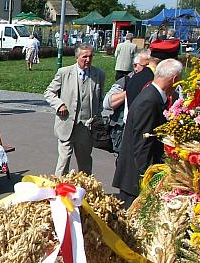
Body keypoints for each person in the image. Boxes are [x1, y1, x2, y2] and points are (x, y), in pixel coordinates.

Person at [113, 59, 183, 208]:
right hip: (135, 180)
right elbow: (142, 144)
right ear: (174, 79)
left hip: (136, 177)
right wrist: (147, 178)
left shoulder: (152, 95)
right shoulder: (149, 101)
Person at [43, 44, 105, 175]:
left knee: (85, 162)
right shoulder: (64, 73)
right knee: (64, 160)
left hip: (86, 127)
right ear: (77, 57)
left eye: (90, 56)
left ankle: (86, 190)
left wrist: (97, 116)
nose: (88, 59)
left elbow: (100, 99)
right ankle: (59, 189)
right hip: (66, 124)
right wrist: (59, 104)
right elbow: (49, 93)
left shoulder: (99, 74)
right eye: (84, 57)